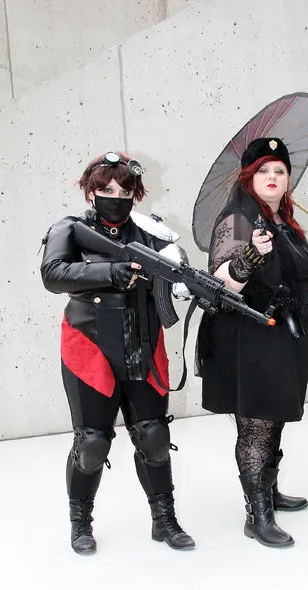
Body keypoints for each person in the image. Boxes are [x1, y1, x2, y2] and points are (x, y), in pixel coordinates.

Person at [41, 152, 195, 554]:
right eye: (107, 189)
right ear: (90, 192)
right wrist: (109, 272)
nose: (117, 197)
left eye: (126, 190)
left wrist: (179, 271)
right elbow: (53, 273)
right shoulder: (70, 229)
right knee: (92, 442)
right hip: (88, 342)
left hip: (143, 340)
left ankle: (164, 520)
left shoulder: (148, 232)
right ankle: (80, 522)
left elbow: (180, 274)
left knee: (154, 434)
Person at [196, 137, 308, 548]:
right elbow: (223, 283)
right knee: (256, 425)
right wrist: (250, 258)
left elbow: (299, 275)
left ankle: (270, 492)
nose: (273, 177)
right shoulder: (238, 221)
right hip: (251, 338)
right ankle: (257, 515)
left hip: (286, 337)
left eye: (279, 170)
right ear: (248, 177)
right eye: (263, 170)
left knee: (273, 417)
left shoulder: (284, 221)